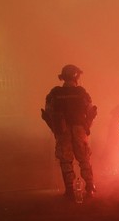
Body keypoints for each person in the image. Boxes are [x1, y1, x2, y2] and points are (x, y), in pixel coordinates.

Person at [42, 64, 98, 201]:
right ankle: (90, 188)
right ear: (76, 76)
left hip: (63, 129)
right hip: (79, 129)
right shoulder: (81, 92)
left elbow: (48, 113)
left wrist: (55, 129)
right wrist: (87, 127)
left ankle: (70, 190)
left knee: (66, 160)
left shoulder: (54, 93)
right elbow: (91, 111)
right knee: (84, 158)